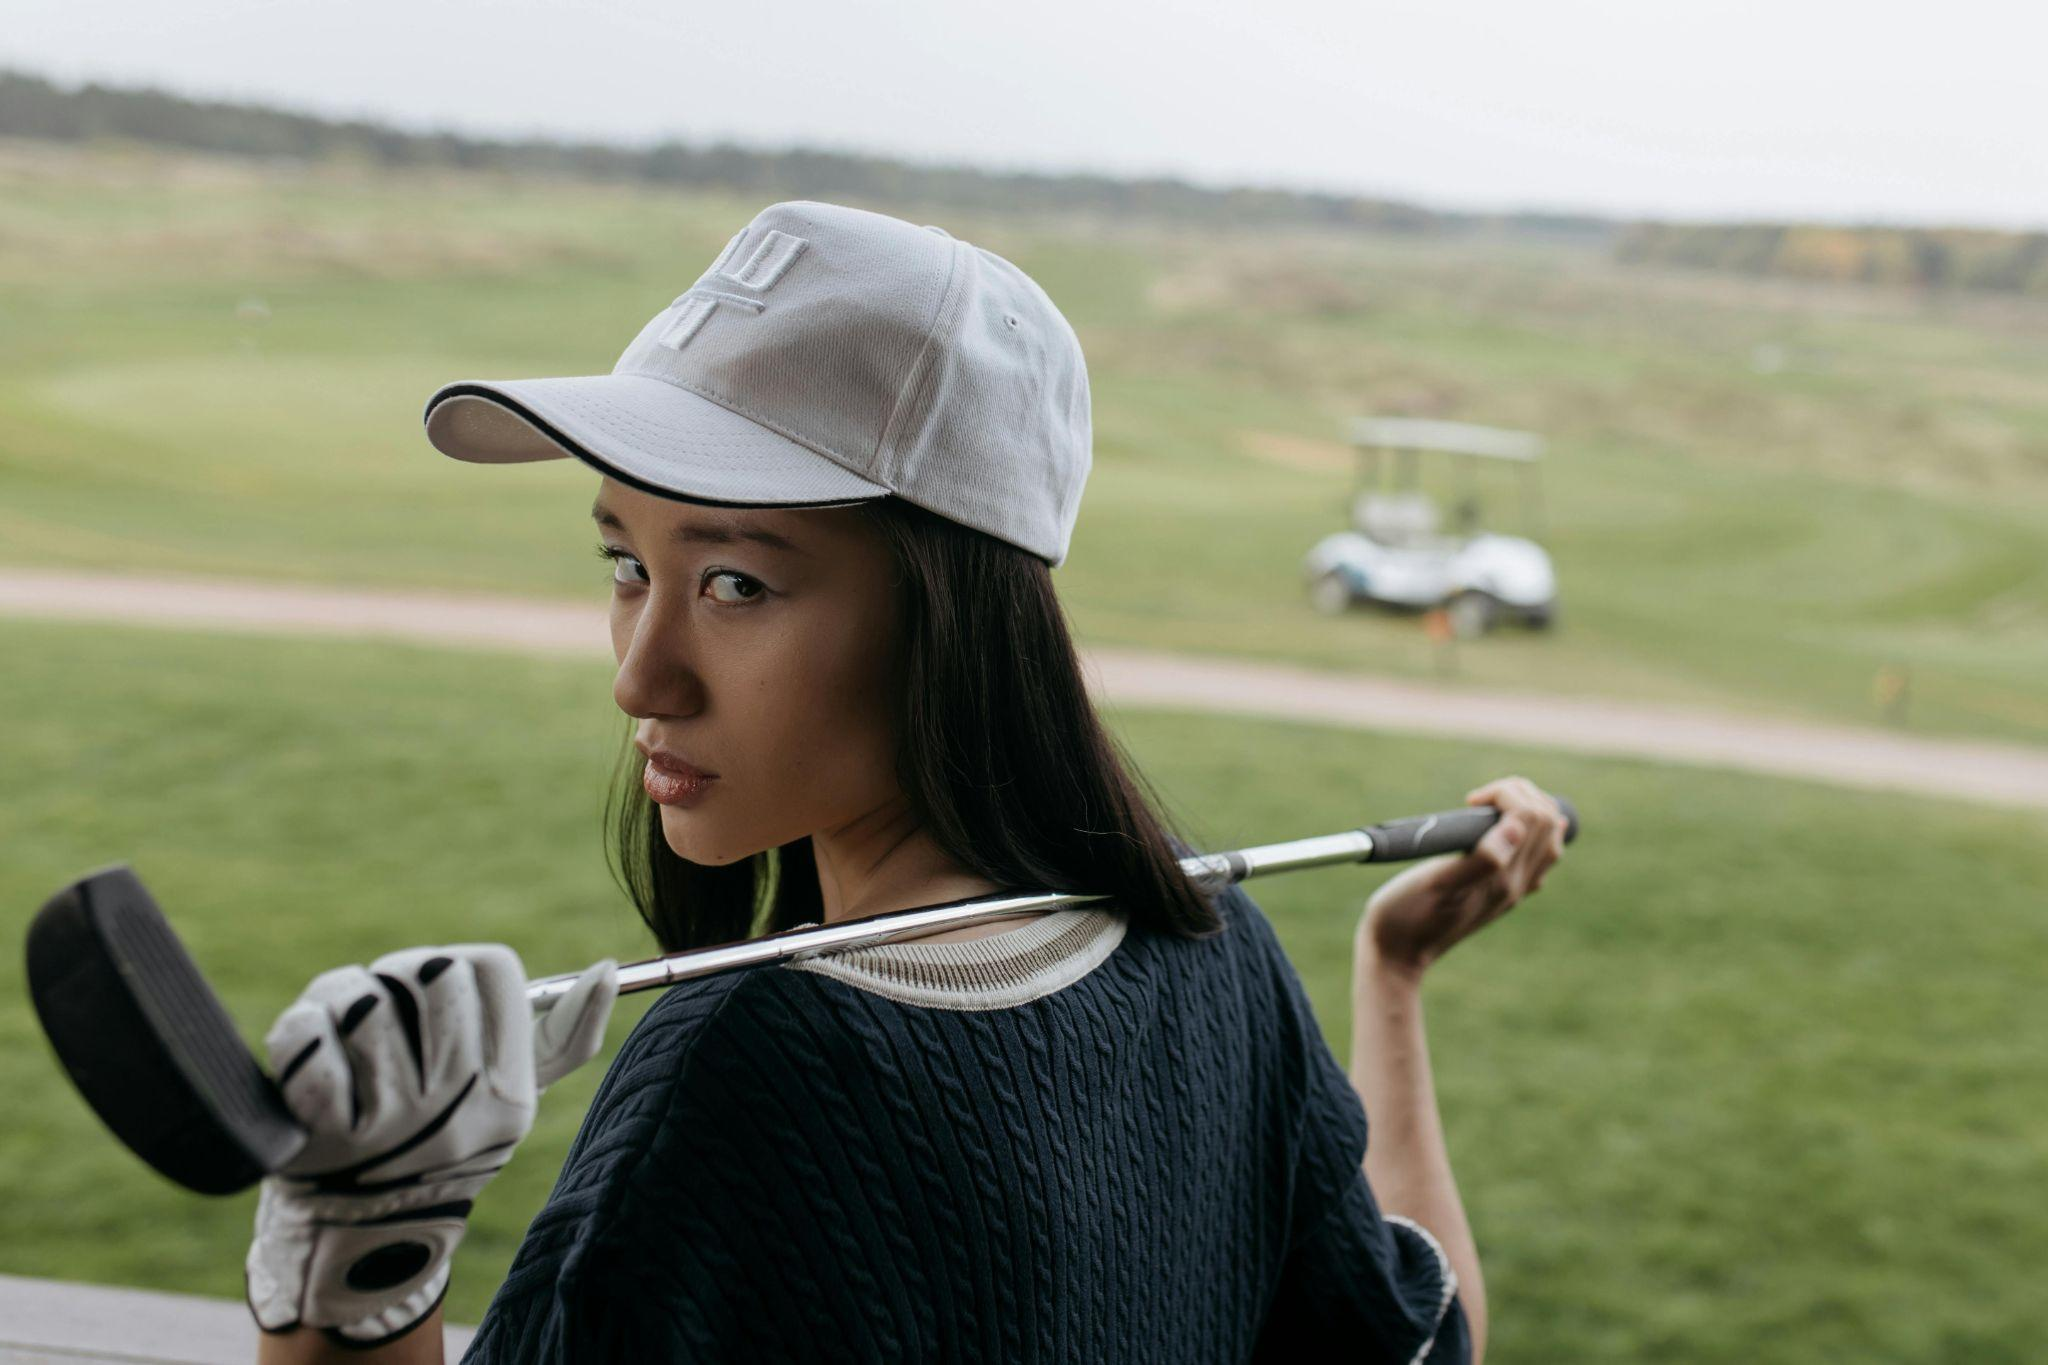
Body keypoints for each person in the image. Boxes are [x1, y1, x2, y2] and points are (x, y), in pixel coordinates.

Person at [243, 201, 1569, 1363]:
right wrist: (1389, 982)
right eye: (626, 566)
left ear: (956, 624)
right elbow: (1426, 1342)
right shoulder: (1221, 953)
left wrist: (352, 1263)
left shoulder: (746, 1067)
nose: (641, 678)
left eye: (736, 584)